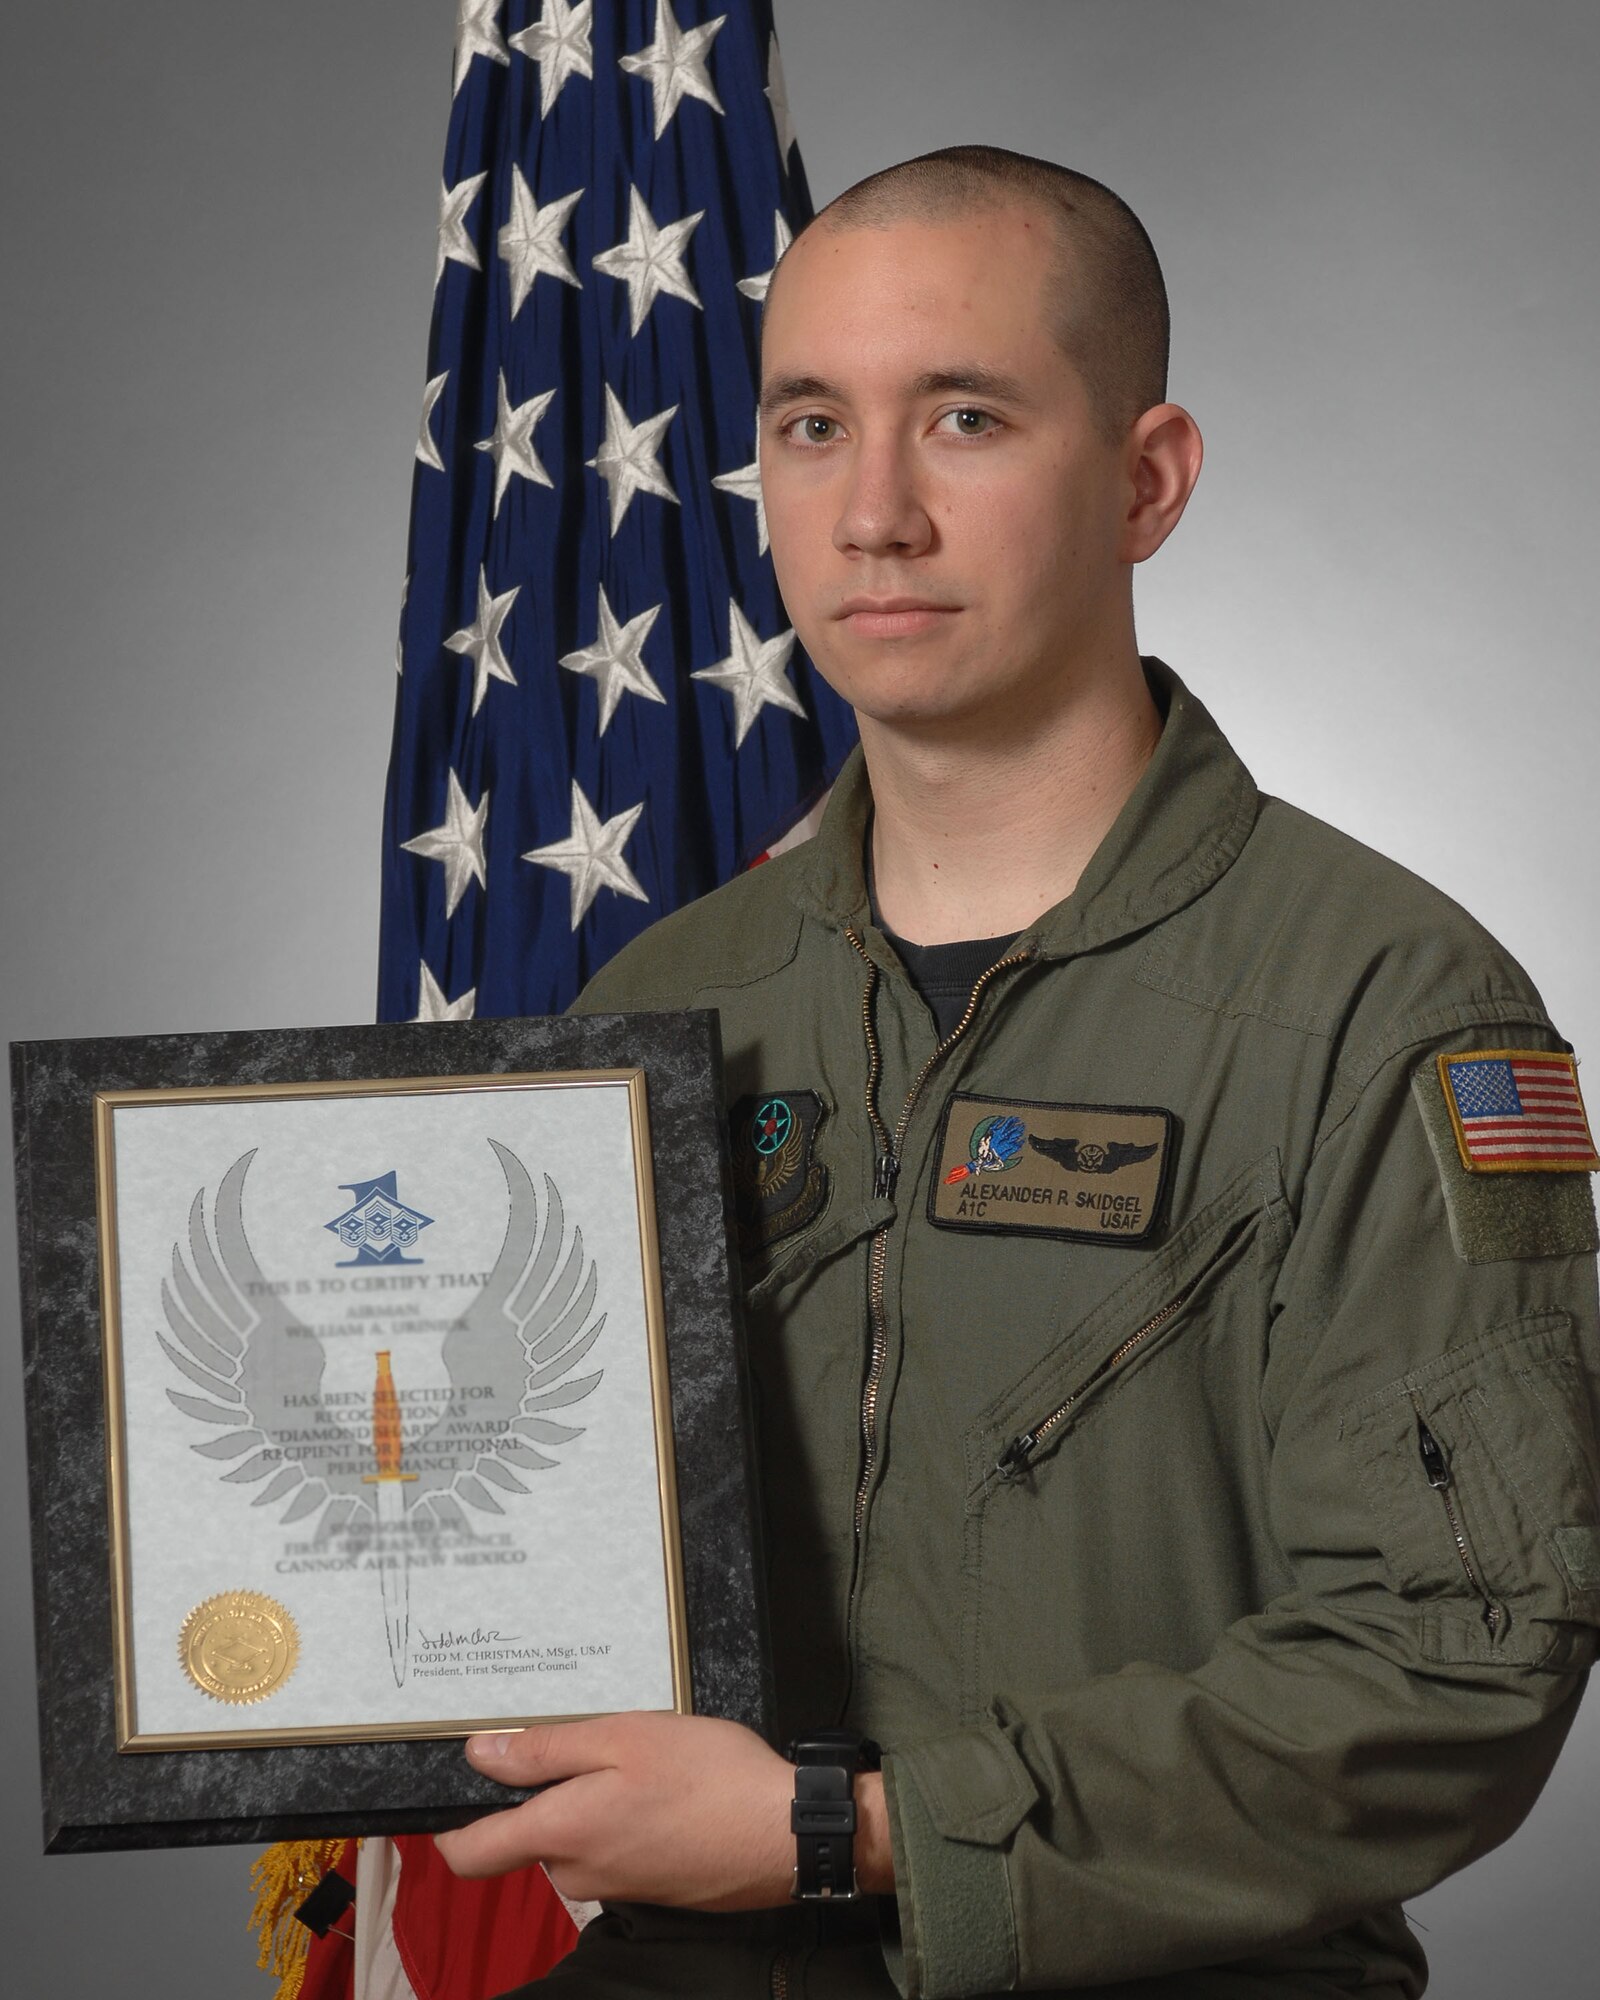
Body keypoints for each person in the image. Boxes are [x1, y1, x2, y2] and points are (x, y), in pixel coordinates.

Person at [434, 146, 1600, 1998]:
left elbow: (1455, 1658)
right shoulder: (662, 1002)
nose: (873, 515)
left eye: (964, 419)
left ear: (1148, 481)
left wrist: (860, 1832)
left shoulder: (1386, 1005)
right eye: (813, 427)